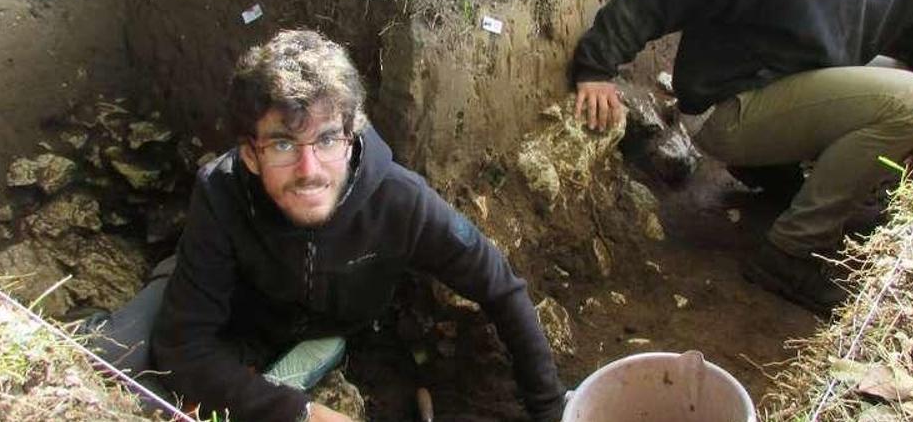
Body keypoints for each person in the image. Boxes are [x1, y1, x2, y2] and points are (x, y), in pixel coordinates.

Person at [97, 30, 565, 422]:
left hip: (342, 329)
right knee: (109, 364)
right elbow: (185, 347)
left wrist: (549, 410)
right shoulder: (220, 193)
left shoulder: (398, 198)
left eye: (325, 140)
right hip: (228, 314)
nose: (309, 169)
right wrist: (301, 414)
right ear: (250, 154)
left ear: (351, 134)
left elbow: (499, 285)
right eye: (283, 145)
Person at [571, 0, 913, 313]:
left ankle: (780, 178)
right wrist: (596, 65)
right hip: (726, 107)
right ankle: (790, 252)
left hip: (789, 88)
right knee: (906, 100)